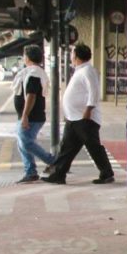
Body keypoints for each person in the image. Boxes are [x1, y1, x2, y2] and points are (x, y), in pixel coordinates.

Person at [42, 43, 115, 185]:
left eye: (72, 53)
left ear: (76, 56)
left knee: (93, 147)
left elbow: (94, 92)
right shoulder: (80, 70)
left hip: (84, 118)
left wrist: (88, 110)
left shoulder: (88, 70)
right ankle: (58, 174)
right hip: (74, 118)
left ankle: (107, 173)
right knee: (67, 148)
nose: (71, 56)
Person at [12, 45, 55, 183]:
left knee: (26, 142)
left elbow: (31, 95)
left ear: (28, 57)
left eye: (24, 55)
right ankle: (30, 171)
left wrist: (25, 115)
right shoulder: (32, 72)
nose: (24, 58)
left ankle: (53, 161)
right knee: (22, 143)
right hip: (29, 116)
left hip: (32, 116)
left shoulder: (34, 73)